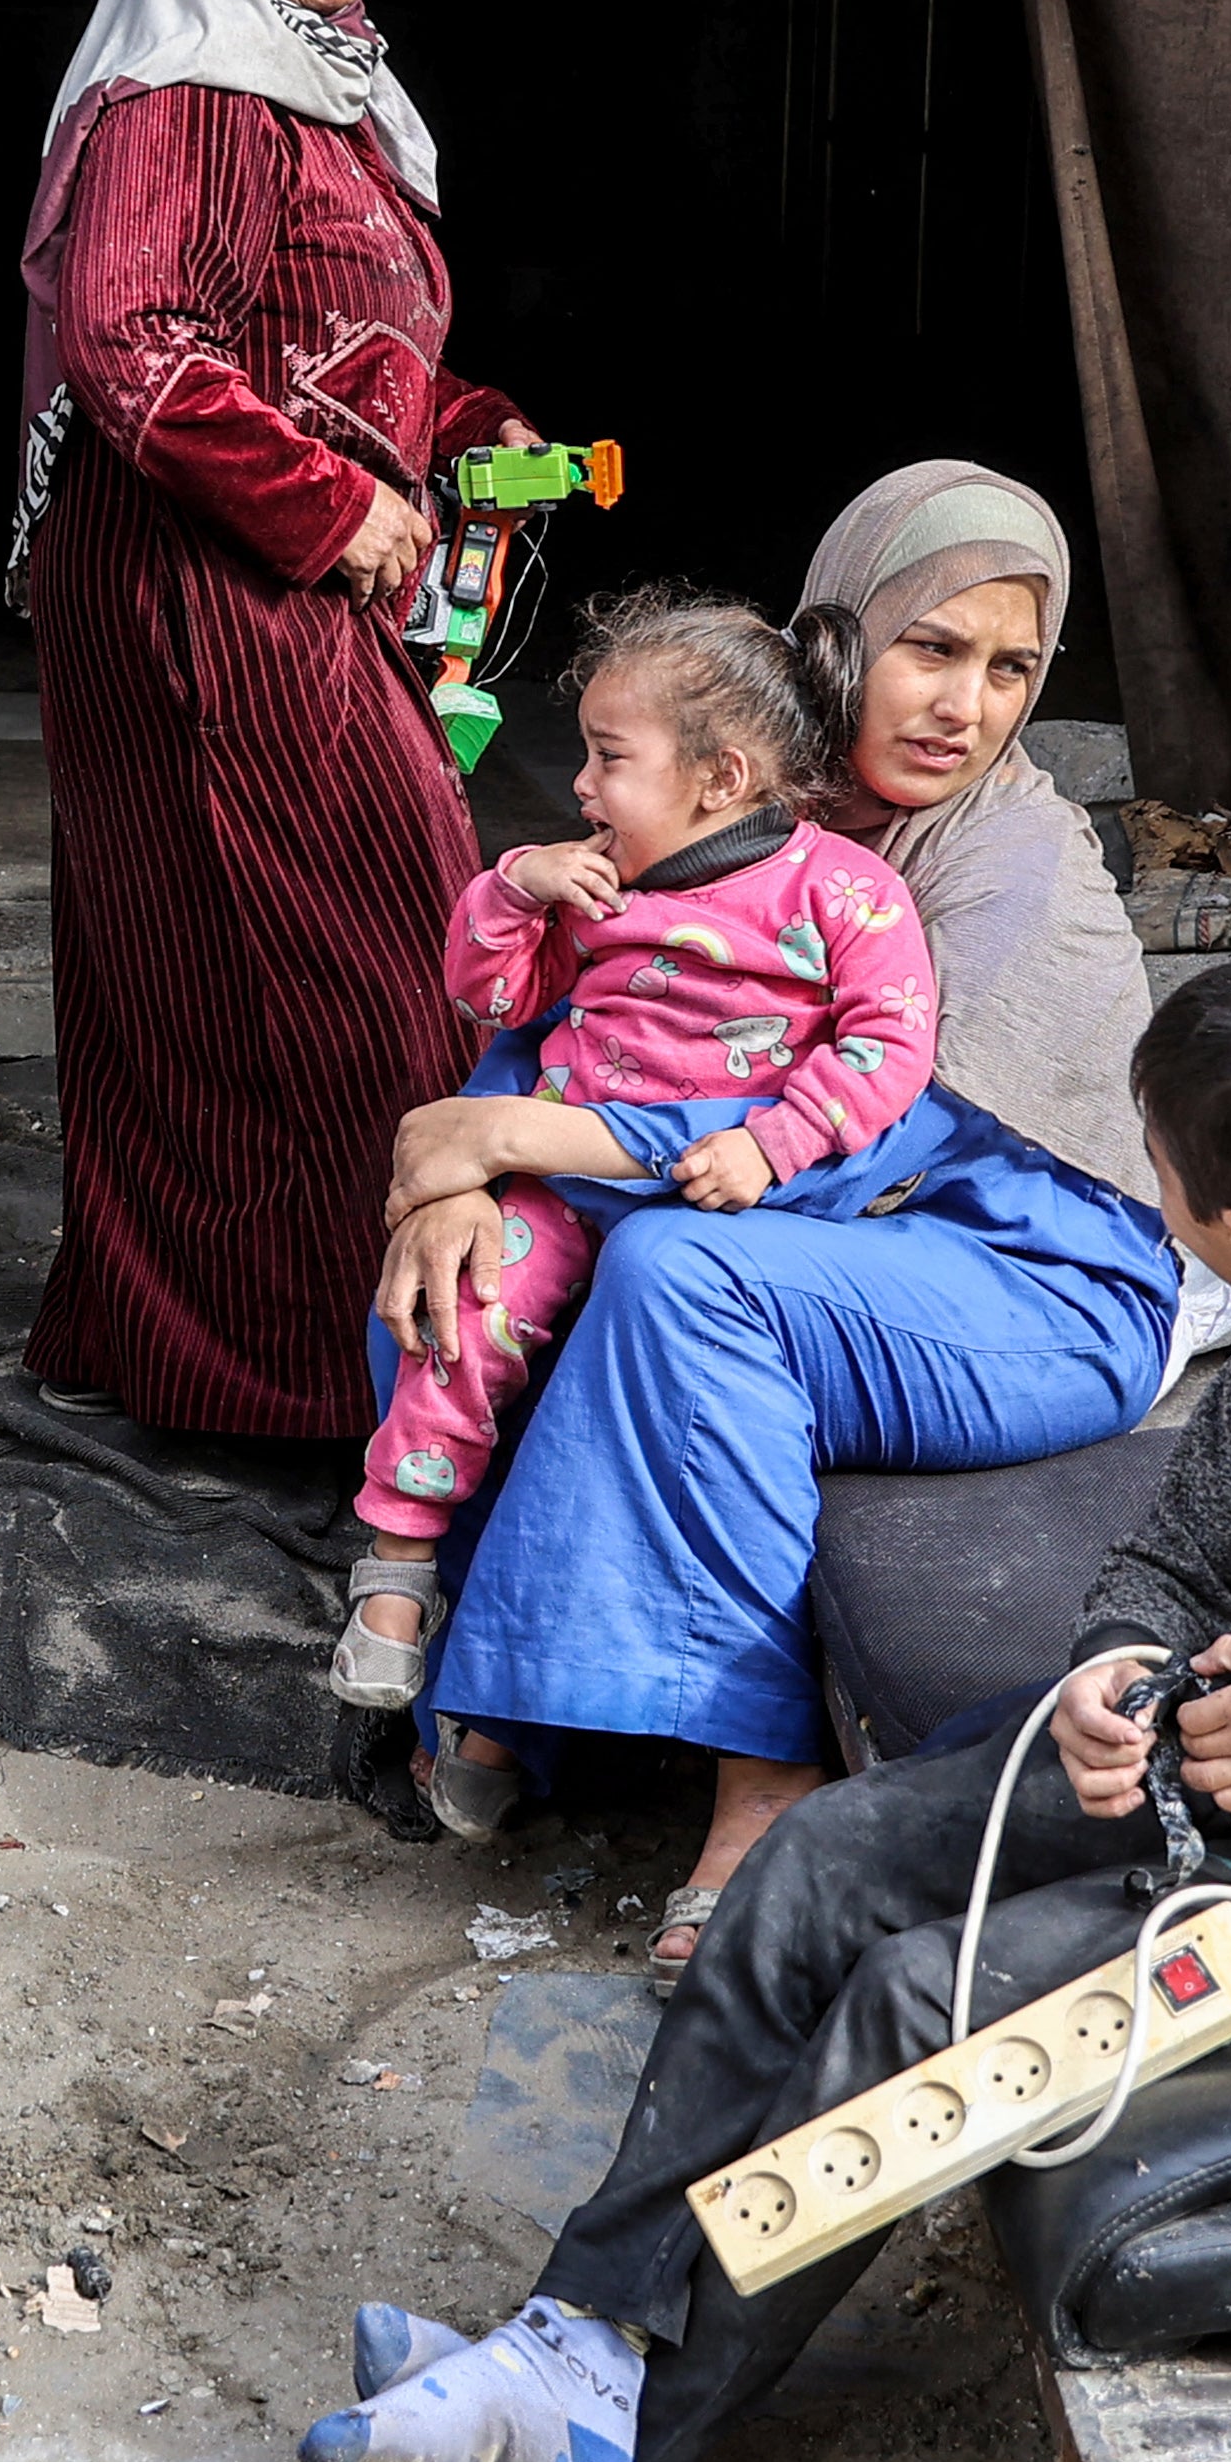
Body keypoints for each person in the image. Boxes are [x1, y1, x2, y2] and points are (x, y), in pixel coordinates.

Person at [296, 953, 1231, 2462]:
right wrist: (1114, 1676)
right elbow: (1175, 1564)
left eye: (1163, 1182)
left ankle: (622, 2454)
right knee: (822, 1862)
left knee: (919, 1999)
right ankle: (579, 2335)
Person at [376, 462, 1173, 1973]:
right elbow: (620, 1018)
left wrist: (518, 1134)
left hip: (1032, 1285)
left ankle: (766, 1787)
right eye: (929, 648)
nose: (968, 706)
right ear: (833, 641)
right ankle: (505, 1707)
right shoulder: (749, 809)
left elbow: (844, 1146)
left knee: (683, 1270)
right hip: (846, 1248)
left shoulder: (1003, 865)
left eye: (1012, 669)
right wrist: (466, 1165)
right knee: (475, 1265)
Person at [15, 0, 545, 1438]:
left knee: (248, 966)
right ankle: (335, 1380)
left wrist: (462, 426)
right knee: (350, 960)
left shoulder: (322, 83)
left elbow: (323, 347)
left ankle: (228, 1351)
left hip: (266, 581)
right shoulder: (186, 92)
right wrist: (334, 507)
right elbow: (134, 345)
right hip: (199, 598)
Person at [332, 594, 937, 1712]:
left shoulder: (844, 892)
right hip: (571, 1180)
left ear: (721, 777)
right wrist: (514, 888)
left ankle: (535, 1693)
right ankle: (399, 1563)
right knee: (465, 1311)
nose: (581, 784)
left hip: (724, 1200)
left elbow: (892, 1045)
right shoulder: (599, 883)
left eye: (609, 758)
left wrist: (774, 1142)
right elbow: (492, 993)